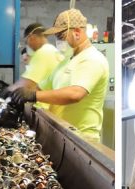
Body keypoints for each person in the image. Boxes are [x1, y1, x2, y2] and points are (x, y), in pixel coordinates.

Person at [11, 9, 109, 142]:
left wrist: (33, 96)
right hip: (62, 134)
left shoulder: (93, 59)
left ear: (77, 32)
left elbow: (75, 94)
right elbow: (41, 87)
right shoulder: (66, 61)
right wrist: (17, 96)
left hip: (82, 140)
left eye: (61, 36)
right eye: (56, 37)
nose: (57, 41)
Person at [7, 23, 63, 110]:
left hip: (47, 109)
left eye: (26, 42)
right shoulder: (53, 51)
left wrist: (6, 91)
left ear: (31, 37)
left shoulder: (44, 52)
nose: (28, 45)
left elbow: (27, 85)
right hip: (55, 107)